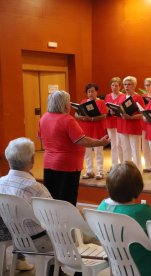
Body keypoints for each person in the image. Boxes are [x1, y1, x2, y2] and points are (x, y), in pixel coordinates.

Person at [38, 90, 110, 206]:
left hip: (49, 162)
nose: (70, 105)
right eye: (68, 102)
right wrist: (100, 142)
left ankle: (53, 222)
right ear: (64, 104)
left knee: (52, 196)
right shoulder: (67, 120)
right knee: (67, 199)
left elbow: (41, 137)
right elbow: (82, 140)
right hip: (67, 165)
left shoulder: (44, 117)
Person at [97, 161, 151, 276]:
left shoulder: (102, 207)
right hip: (146, 269)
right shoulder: (141, 211)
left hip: (118, 265)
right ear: (138, 187)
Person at [0, 137, 55, 270]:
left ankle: (19, 260)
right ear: (32, 160)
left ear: (8, 159)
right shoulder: (35, 188)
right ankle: (56, 269)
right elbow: (54, 217)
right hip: (37, 241)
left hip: (14, 237)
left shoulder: (1, 182)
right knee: (78, 233)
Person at [76, 83, 108, 180]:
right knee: (87, 152)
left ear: (96, 92)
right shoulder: (83, 102)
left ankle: (100, 172)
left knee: (98, 151)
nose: (91, 93)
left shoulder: (101, 102)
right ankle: (89, 171)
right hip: (85, 129)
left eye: (92, 91)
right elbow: (76, 114)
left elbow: (104, 115)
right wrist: (81, 117)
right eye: (89, 91)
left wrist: (92, 119)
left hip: (97, 129)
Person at [117, 76, 145, 170]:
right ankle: (127, 171)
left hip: (134, 127)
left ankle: (137, 172)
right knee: (126, 151)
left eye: (129, 84)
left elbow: (142, 114)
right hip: (122, 126)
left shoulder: (138, 98)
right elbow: (119, 109)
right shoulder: (121, 96)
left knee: (135, 151)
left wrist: (132, 117)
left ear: (134, 86)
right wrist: (115, 111)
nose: (126, 86)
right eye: (125, 84)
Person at [105, 77, 124, 167]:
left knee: (120, 144)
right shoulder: (108, 96)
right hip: (110, 122)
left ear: (120, 86)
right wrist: (109, 111)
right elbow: (105, 108)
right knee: (113, 144)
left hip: (119, 122)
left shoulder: (123, 96)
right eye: (113, 85)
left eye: (116, 85)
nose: (114, 87)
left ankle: (122, 164)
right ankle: (114, 164)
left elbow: (123, 109)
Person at [141, 77, 151, 173]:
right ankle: (148, 165)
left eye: (148, 85)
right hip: (144, 123)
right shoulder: (143, 97)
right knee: (145, 146)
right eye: (145, 85)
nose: (146, 87)